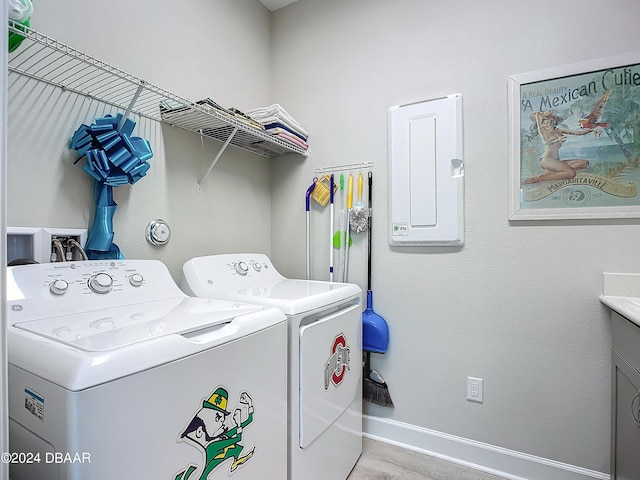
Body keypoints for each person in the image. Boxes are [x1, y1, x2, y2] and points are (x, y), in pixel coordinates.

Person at [521, 110, 598, 185]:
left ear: (552, 122)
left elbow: (577, 132)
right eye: (544, 123)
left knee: (584, 163)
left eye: (549, 122)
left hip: (556, 160)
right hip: (547, 159)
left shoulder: (559, 130)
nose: (547, 124)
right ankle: (539, 178)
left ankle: (553, 173)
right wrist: (558, 139)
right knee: (571, 173)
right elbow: (546, 142)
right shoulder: (544, 133)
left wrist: (591, 130)